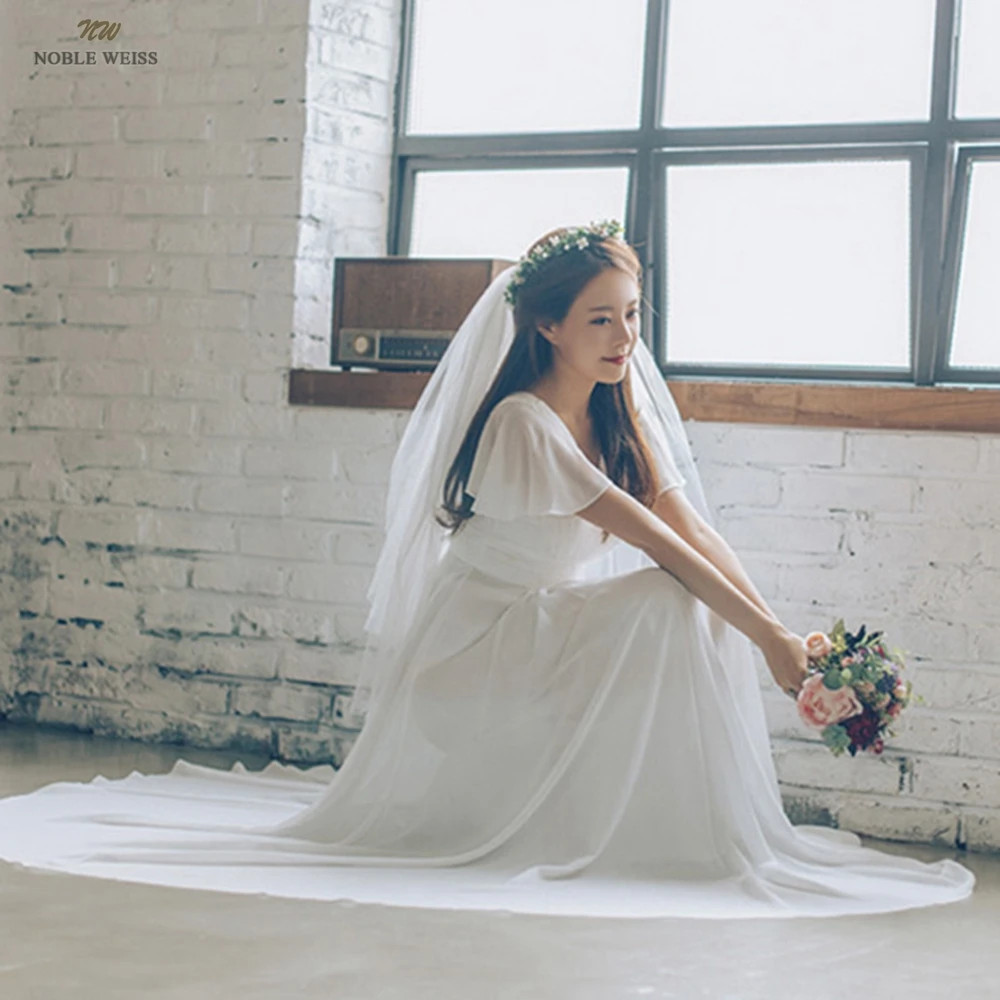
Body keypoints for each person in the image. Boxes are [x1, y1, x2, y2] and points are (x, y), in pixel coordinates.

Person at [0, 221, 975, 920]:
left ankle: (684, 831)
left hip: (545, 623)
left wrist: (783, 631)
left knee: (689, 603)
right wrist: (763, 639)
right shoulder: (523, 423)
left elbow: (698, 531)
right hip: (482, 644)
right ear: (546, 326)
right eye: (600, 320)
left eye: (631, 317)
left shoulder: (615, 410)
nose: (623, 339)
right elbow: (659, 551)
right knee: (671, 605)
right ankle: (673, 838)